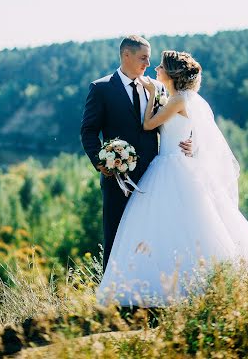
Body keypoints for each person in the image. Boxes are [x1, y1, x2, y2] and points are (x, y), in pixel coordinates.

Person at [97, 50, 248, 307]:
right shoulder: (181, 98)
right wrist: (193, 144)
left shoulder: (177, 100)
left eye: (161, 66)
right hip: (173, 163)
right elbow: (195, 132)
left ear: (171, 74)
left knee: (175, 224)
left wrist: (152, 95)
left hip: (170, 166)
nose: (156, 69)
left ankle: (178, 287)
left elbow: (148, 125)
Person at [80, 36, 192, 271]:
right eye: (143, 58)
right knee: (116, 234)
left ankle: (145, 291)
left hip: (154, 176)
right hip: (117, 178)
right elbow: (89, 131)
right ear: (126, 55)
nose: (148, 63)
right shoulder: (101, 88)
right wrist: (100, 161)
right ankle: (111, 297)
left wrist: (191, 142)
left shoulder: (158, 87)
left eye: (150, 58)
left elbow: (181, 121)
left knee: (151, 235)